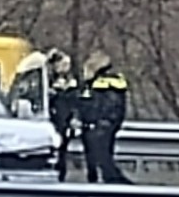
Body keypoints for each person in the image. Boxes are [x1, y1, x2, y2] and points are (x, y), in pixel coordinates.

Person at [80, 51, 132, 184]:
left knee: (101, 159)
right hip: (106, 125)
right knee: (102, 157)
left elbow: (94, 106)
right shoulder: (115, 82)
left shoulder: (102, 85)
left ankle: (113, 183)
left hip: (99, 125)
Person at [47, 49, 79, 183]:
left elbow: (75, 102)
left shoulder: (70, 82)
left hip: (63, 121)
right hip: (52, 120)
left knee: (62, 150)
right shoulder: (48, 80)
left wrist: (73, 119)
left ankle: (60, 174)